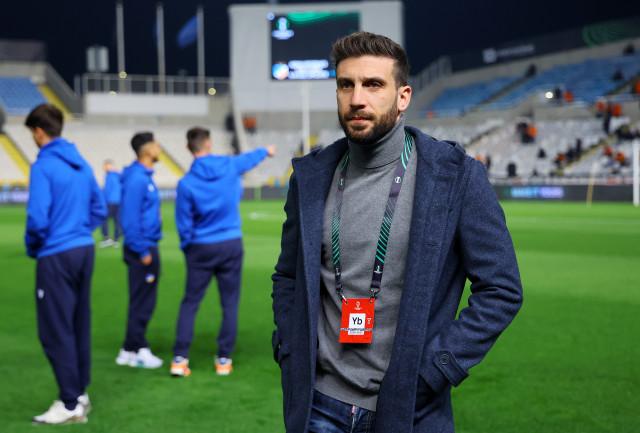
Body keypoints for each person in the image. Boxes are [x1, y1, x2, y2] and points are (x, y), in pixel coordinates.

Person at [271, 32, 523, 433]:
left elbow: (502, 289)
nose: (357, 98)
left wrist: (437, 370)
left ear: (403, 96)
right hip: (319, 406)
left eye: (373, 84)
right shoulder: (311, 177)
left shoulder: (455, 177)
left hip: (409, 408)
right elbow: (287, 276)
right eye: (346, 85)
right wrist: (289, 348)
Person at [24, 104, 107, 424]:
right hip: (83, 250)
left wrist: (36, 247)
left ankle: (70, 402)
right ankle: (79, 393)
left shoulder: (43, 166)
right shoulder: (81, 164)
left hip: (56, 254)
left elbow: (37, 219)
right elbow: (99, 209)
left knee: (55, 329)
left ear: (38, 132)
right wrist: (79, 231)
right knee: (77, 324)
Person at [169, 127, 275, 377]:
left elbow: (183, 223)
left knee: (190, 302)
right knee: (229, 303)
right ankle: (224, 360)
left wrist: (188, 247)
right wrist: (266, 151)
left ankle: (179, 359)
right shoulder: (229, 166)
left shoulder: (186, 183)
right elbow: (249, 159)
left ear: (188, 148)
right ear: (208, 143)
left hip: (200, 247)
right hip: (230, 244)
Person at [116, 132, 164, 369]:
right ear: (146, 149)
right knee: (143, 302)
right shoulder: (137, 179)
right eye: (155, 144)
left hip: (145, 244)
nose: (159, 147)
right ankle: (138, 349)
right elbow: (130, 218)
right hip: (142, 248)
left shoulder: (142, 176)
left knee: (141, 299)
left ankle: (127, 349)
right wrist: (142, 249)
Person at [100, 159, 122, 247]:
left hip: (110, 201)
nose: (104, 168)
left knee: (103, 219)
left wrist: (103, 201)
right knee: (117, 220)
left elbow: (107, 190)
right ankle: (116, 239)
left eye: (105, 166)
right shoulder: (119, 175)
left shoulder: (110, 176)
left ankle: (107, 238)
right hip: (118, 201)